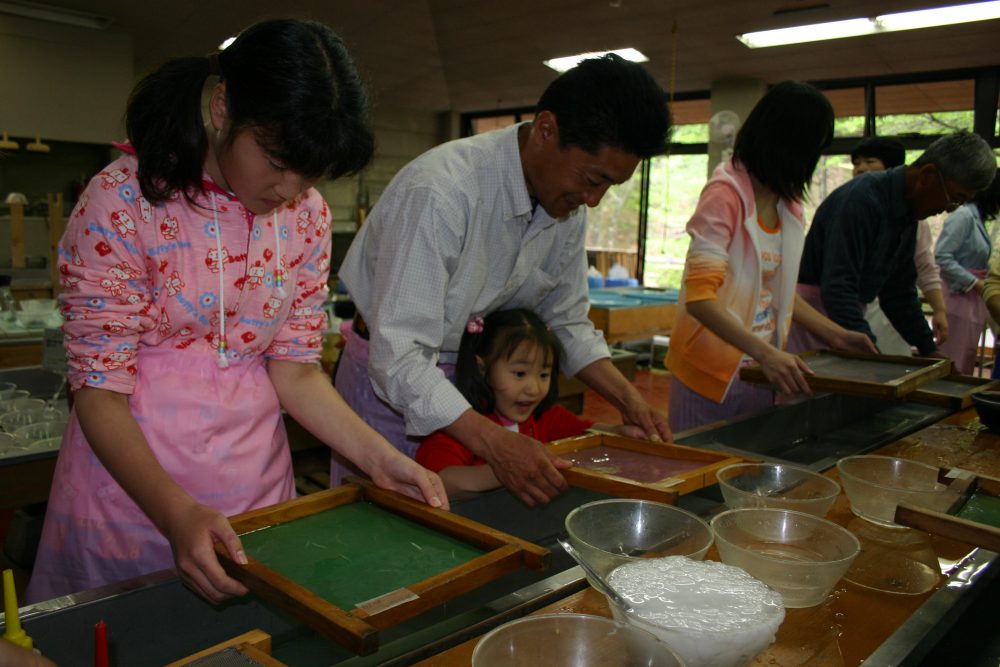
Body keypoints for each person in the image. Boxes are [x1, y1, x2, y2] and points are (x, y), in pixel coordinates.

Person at [26, 19, 447, 605]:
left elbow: (296, 371)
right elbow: (98, 390)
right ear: (222, 107)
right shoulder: (124, 201)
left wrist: (381, 459)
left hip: (254, 489)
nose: (290, 189)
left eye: (311, 174)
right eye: (276, 160)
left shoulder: (307, 217)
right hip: (134, 495)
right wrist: (177, 515)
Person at [335, 54, 672, 506]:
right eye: (593, 179)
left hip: (478, 386)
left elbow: (565, 320)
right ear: (547, 130)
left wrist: (630, 400)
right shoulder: (443, 192)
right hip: (389, 387)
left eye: (609, 186)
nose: (593, 199)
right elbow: (399, 357)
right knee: (384, 534)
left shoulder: (564, 202)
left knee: (461, 540)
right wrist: (492, 441)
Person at [666, 81, 876, 433]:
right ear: (791, 147)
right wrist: (764, 354)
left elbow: (776, 291)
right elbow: (701, 299)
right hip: (709, 371)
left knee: (748, 469)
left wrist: (835, 334)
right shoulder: (725, 196)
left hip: (759, 367)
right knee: (701, 470)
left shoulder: (786, 204)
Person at [791, 131, 997, 356]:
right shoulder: (862, 199)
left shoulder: (907, 209)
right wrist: (872, 355)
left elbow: (898, 291)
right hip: (814, 319)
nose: (951, 208)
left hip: (844, 313)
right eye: (955, 197)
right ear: (927, 176)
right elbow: (839, 288)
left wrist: (930, 351)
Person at [416, 309, 643, 496]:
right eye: (520, 373)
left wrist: (620, 433)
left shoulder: (545, 417)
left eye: (543, 375)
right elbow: (439, 480)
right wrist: (504, 466)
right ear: (482, 368)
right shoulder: (459, 426)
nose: (534, 389)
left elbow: (586, 433)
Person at [851, 137, 950, 352]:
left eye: (869, 161)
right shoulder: (851, 205)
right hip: (849, 308)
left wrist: (939, 309)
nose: (861, 169)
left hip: (889, 312)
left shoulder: (913, 214)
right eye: (856, 163)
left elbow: (924, 265)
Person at [935, 169, 1000, 373]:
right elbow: (942, 255)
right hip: (958, 295)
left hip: (972, 297)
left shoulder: (977, 218)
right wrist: (975, 282)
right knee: (953, 360)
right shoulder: (963, 216)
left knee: (966, 357)